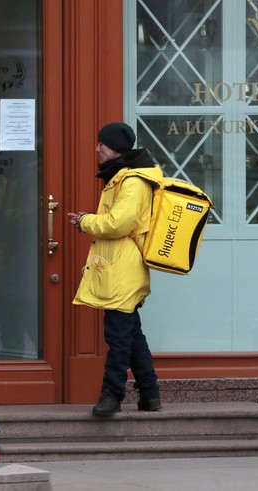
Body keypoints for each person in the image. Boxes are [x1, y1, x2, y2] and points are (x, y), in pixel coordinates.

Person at [68, 122, 163, 417]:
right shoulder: (122, 177)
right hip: (120, 266)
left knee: (118, 336)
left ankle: (112, 395)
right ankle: (150, 394)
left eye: (102, 144)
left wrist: (85, 222)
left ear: (117, 149)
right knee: (131, 334)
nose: (97, 149)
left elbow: (118, 223)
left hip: (125, 269)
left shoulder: (132, 181)